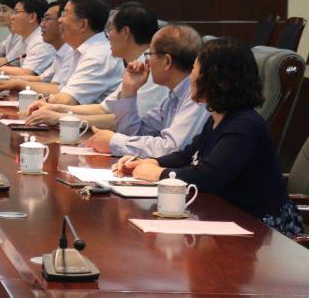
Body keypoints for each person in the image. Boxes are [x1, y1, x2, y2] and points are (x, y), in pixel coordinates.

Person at [117, 38, 305, 238]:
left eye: (194, 68)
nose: (190, 77)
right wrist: (150, 162)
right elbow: (187, 156)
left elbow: (208, 178)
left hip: (264, 230)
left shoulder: (245, 125)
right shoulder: (218, 116)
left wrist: (158, 173)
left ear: (217, 78)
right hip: (228, 219)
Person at [26, 2, 165, 128]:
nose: (107, 37)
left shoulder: (151, 69)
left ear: (125, 32)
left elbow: (128, 121)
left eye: (110, 30)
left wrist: (62, 118)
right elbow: (103, 109)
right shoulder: (136, 65)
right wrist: (54, 108)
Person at [83, 25, 208, 156]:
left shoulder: (198, 97)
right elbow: (135, 134)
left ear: (167, 61)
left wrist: (114, 141)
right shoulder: (173, 97)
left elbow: (173, 149)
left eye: (149, 54)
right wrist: (129, 92)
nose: (147, 62)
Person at [0, 0, 55, 77]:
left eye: (16, 12)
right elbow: (10, 63)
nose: (12, 17)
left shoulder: (41, 41)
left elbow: (27, 73)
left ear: (32, 17)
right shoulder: (24, 39)